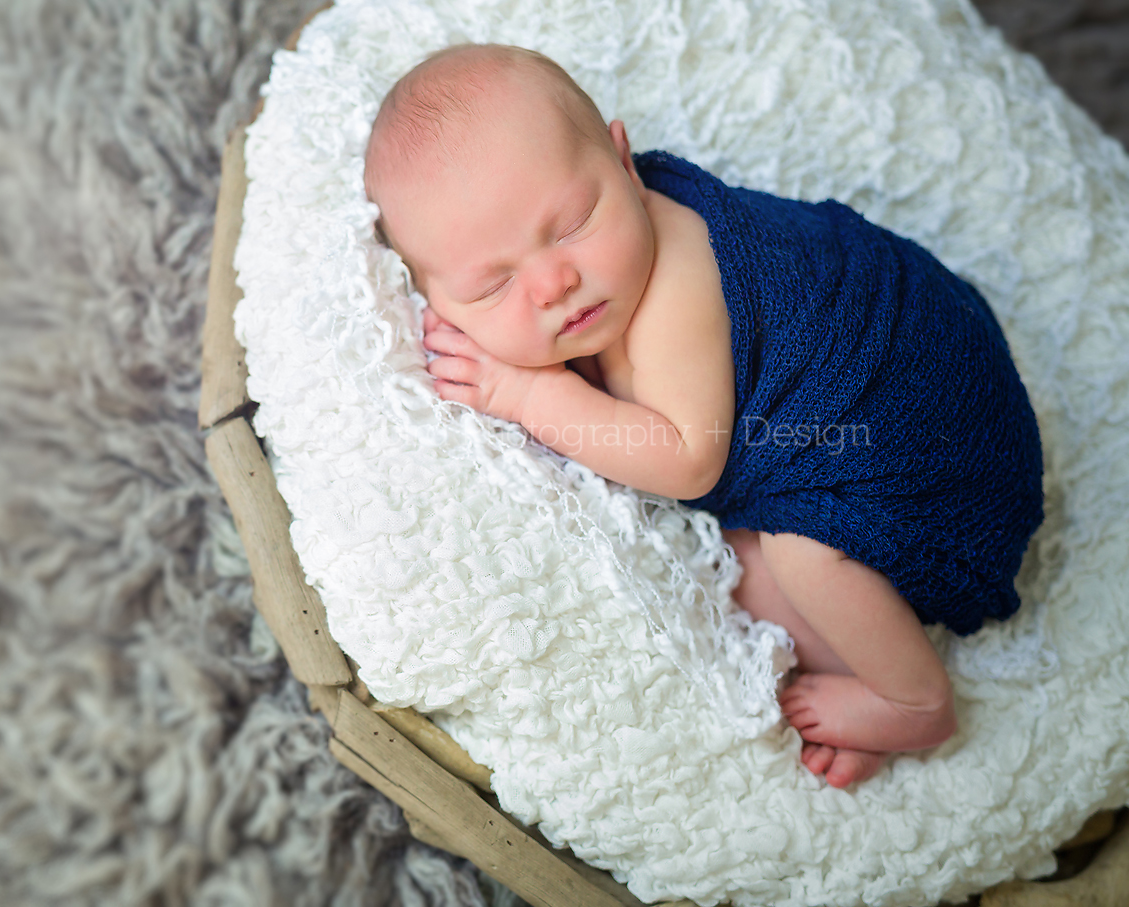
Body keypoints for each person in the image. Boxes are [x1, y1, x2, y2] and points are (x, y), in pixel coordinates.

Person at [363, 43, 1045, 788]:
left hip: (925, 434)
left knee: (800, 550)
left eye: (573, 223)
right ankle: (862, 643)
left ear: (626, 162)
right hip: (880, 397)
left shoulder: (675, 283)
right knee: (744, 573)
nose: (556, 282)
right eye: (493, 287)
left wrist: (527, 394)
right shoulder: (603, 277)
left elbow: (689, 460)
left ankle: (910, 697)